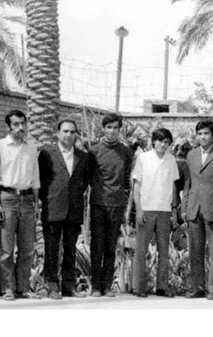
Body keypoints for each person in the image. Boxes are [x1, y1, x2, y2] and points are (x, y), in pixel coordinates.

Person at [0, 109, 41, 301]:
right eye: (16, 124)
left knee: (27, 249)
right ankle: (8, 289)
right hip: (7, 199)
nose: (20, 127)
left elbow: (35, 177)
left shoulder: (31, 148)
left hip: (27, 200)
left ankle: (23, 288)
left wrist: (36, 204)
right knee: (7, 250)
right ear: (8, 127)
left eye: (23, 123)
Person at [39, 119, 92, 299]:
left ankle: (69, 286)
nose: (69, 135)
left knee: (70, 250)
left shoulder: (83, 157)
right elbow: (41, 181)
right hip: (53, 208)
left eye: (72, 132)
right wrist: (47, 199)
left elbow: (84, 182)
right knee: (51, 249)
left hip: (74, 209)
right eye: (65, 131)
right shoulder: (47, 154)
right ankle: (51, 285)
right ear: (58, 133)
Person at [182, 120, 213, 300]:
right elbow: (188, 184)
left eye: (206, 133)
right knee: (195, 250)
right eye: (200, 134)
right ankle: (197, 288)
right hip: (194, 208)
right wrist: (184, 208)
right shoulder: (191, 155)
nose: (203, 137)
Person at [131, 128, 180, 298]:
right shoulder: (143, 158)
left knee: (164, 251)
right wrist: (138, 209)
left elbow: (173, 186)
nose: (163, 145)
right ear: (153, 141)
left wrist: (174, 210)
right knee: (141, 251)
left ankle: (162, 287)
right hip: (146, 209)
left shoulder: (171, 160)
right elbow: (136, 185)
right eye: (160, 141)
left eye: (166, 142)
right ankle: (138, 287)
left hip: (164, 211)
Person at [89, 113, 133, 297]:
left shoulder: (126, 152)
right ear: (103, 129)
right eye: (109, 127)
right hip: (98, 203)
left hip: (117, 204)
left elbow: (126, 178)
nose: (112, 131)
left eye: (115, 128)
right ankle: (95, 286)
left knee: (110, 246)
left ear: (119, 129)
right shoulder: (94, 151)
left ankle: (107, 285)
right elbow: (89, 177)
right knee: (97, 245)